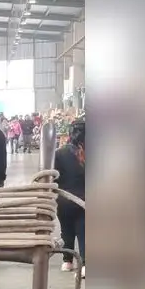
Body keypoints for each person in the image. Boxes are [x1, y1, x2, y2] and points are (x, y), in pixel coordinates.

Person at [54, 118, 85, 277]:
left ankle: (67, 261)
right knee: (83, 231)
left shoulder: (60, 153)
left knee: (66, 231)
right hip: (84, 200)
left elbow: (54, 177)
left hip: (64, 199)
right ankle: (86, 264)